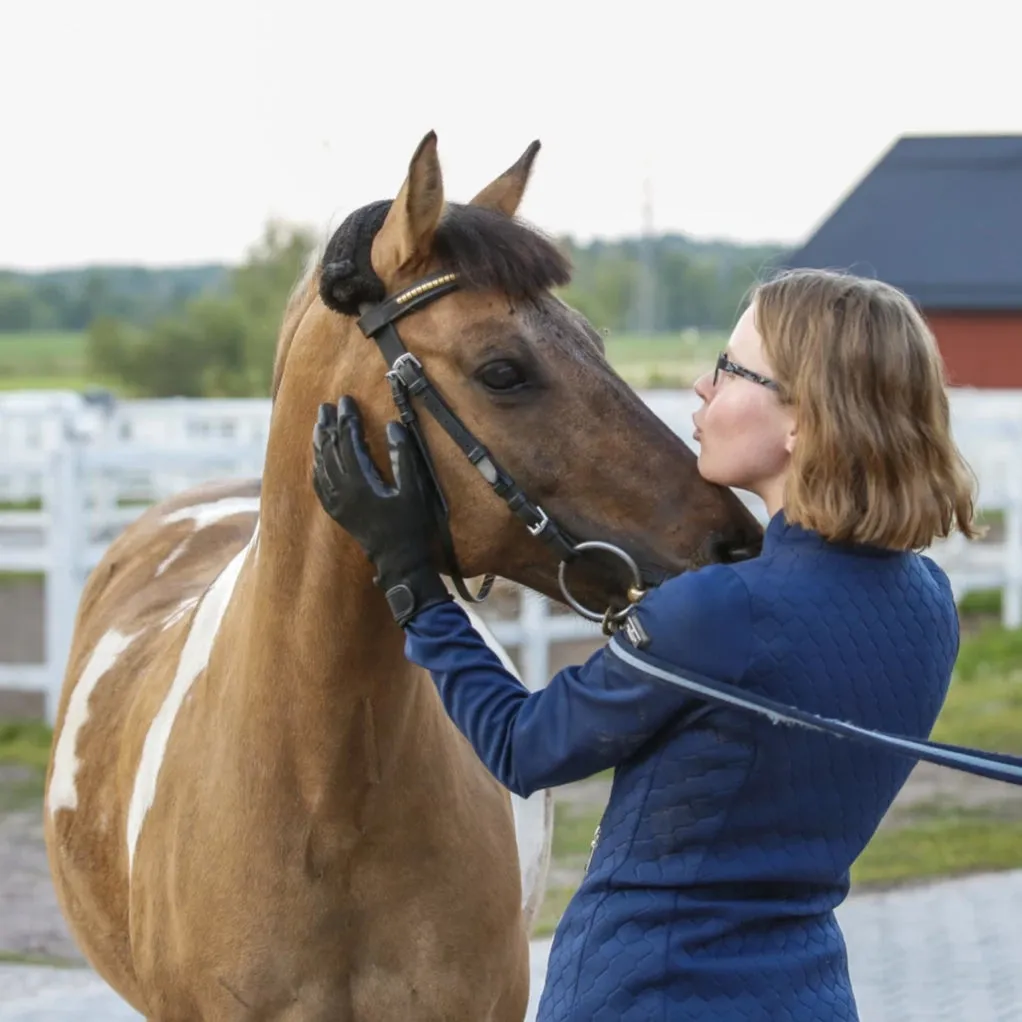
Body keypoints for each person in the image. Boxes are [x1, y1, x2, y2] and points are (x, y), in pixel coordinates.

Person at [310, 267, 978, 1021]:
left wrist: (411, 581)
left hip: (646, 993)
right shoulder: (926, 600)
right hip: (809, 994)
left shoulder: (723, 611)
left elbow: (522, 745)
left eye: (730, 369)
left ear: (803, 418)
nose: (701, 385)